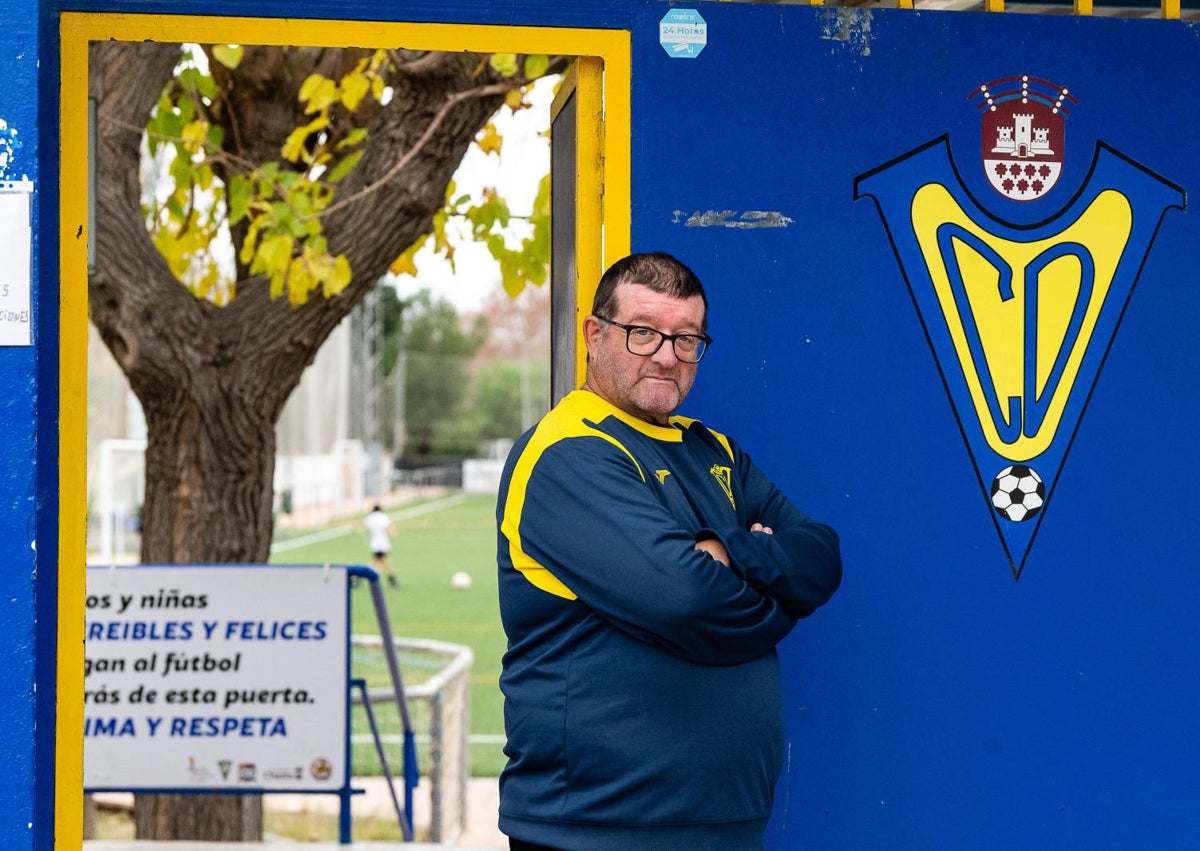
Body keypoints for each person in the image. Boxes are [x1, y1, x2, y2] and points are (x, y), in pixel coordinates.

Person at [495, 252, 843, 850]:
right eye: (643, 333)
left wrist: (726, 553)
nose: (665, 355)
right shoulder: (567, 454)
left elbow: (821, 558)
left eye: (686, 338)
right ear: (595, 334)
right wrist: (774, 593)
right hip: (600, 827)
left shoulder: (715, 450)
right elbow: (687, 601)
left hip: (727, 819)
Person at [364, 505, 397, 587]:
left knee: (379, 562)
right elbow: (388, 529)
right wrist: (392, 532)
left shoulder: (370, 518)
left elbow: (364, 525)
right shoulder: (383, 517)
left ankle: (391, 579)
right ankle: (391, 580)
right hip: (382, 544)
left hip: (374, 544)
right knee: (381, 562)